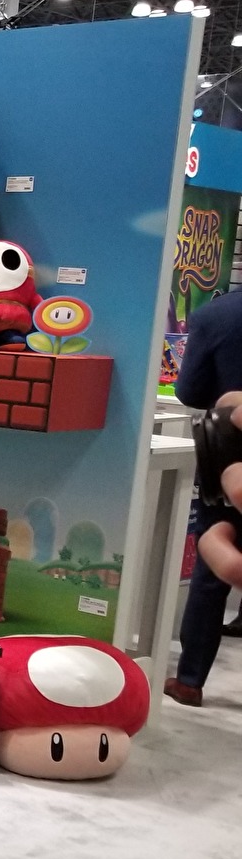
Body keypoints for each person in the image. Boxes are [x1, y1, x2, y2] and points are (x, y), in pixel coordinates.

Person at [169, 291, 242, 705]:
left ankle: (190, 679)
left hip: (231, 449)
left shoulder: (215, 315)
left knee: (214, 561)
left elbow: (190, 391)